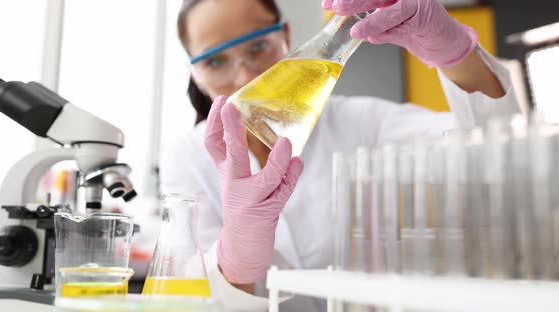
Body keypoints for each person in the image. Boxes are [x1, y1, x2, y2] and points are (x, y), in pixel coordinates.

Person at [162, 0, 518, 310]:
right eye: (216, 62)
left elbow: (496, 152)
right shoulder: (186, 158)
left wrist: (454, 52)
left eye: (257, 47)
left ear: (285, 36)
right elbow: (187, 301)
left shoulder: (363, 124)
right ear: (194, 70)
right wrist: (233, 260)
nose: (245, 75)